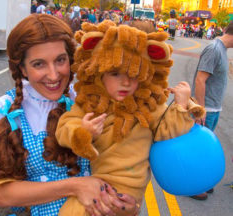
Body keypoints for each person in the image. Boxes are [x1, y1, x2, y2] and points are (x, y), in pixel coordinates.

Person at [0, 14, 137, 216]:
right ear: (22, 69)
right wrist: (76, 186)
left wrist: (128, 205)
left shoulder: (90, 101)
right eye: (39, 64)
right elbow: (3, 194)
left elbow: (121, 165)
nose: (53, 75)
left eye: (60, 60)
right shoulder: (2, 111)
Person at [50, 20, 204, 215]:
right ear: (100, 71)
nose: (125, 82)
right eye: (115, 73)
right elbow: (64, 126)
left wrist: (181, 105)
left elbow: (169, 132)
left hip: (128, 192)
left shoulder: (149, 105)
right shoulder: (92, 102)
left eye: (134, 74)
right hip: (97, 185)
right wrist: (82, 132)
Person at [191, 21, 233, 201]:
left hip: (213, 108)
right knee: (199, 149)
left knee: (204, 149)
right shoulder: (214, 49)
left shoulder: (223, 50)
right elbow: (200, 80)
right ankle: (192, 186)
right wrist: (200, 109)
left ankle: (201, 182)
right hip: (206, 108)